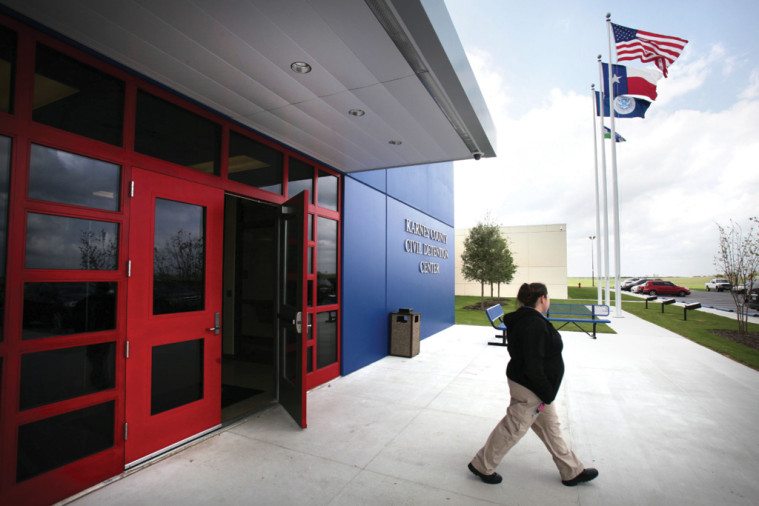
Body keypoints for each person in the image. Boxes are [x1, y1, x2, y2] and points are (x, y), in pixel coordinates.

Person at [467, 282, 598, 486]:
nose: (549, 301)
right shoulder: (534, 324)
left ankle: (571, 471)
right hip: (531, 388)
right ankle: (481, 465)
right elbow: (533, 364)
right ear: (542, 298)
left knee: (550, 427)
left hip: (532, 385)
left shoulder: (525, 319)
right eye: (549, 297)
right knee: (513, 427)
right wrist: (547, 392)